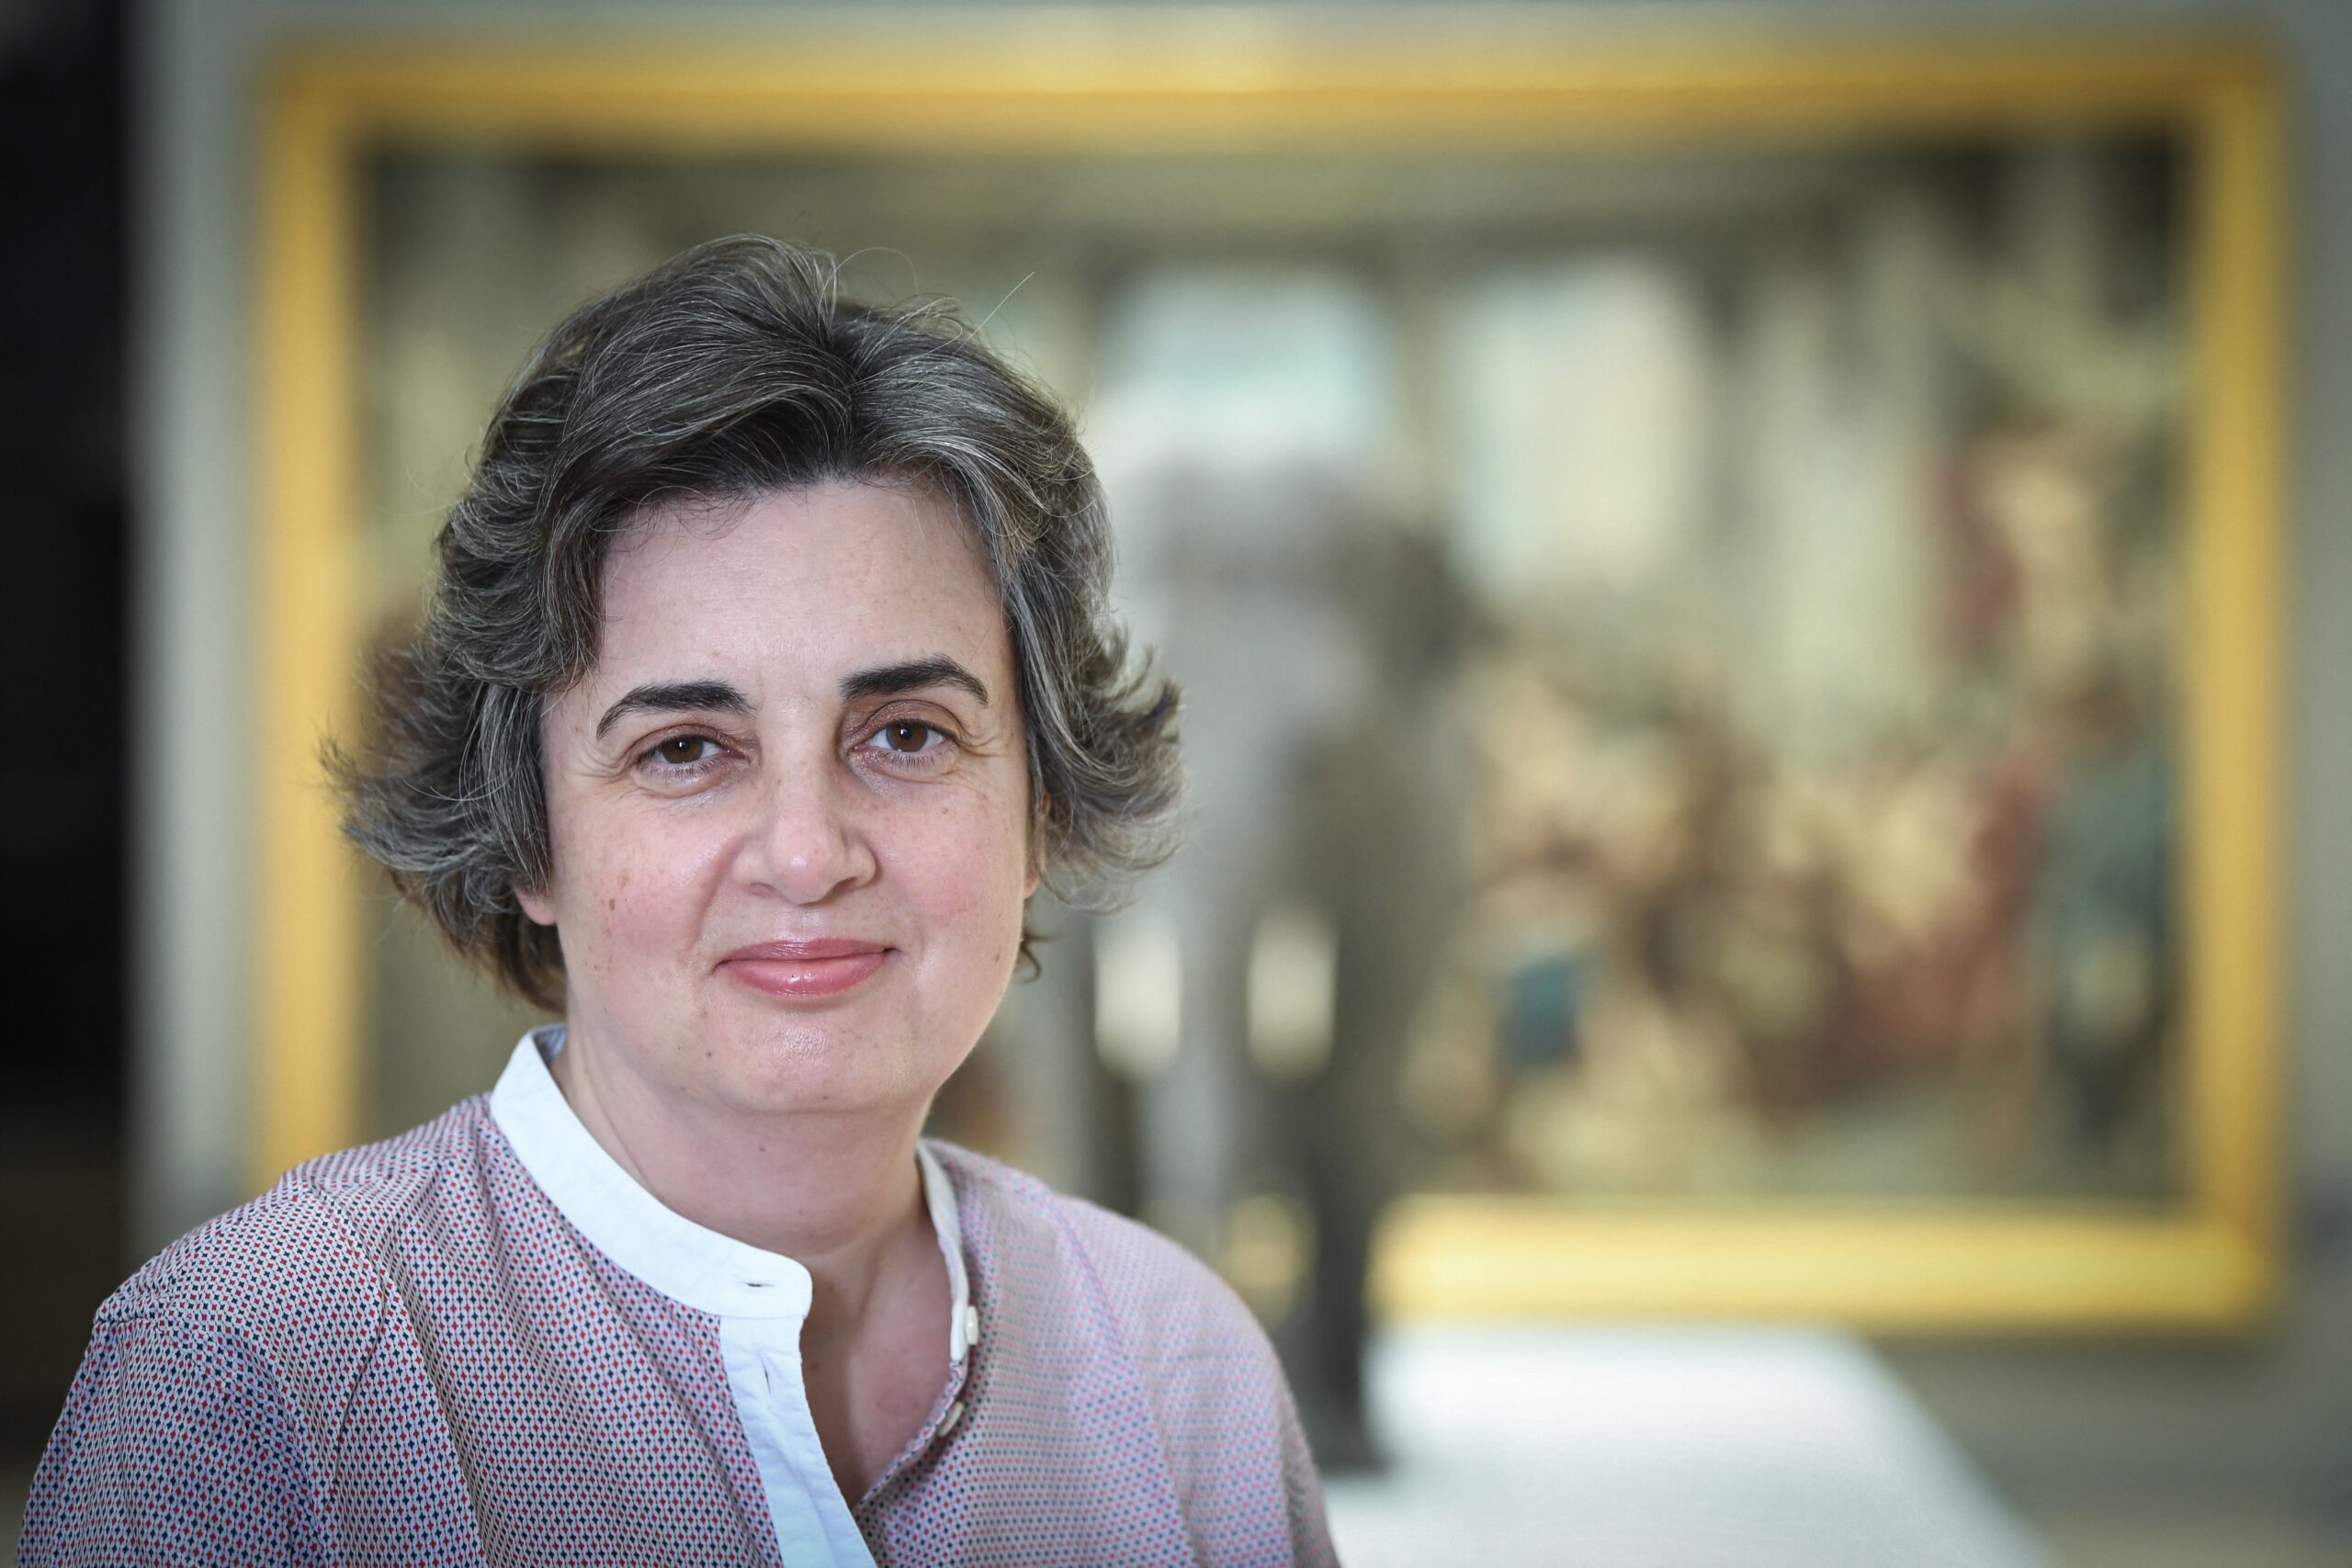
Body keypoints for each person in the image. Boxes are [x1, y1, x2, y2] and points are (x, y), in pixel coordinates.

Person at [20, 236, 1337, 1567]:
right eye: (686, 749)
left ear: (1037, 809)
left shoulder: (1183, 1377)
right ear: (529, 835)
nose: (808, 855)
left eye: (907, 735)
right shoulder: (247, 1381)